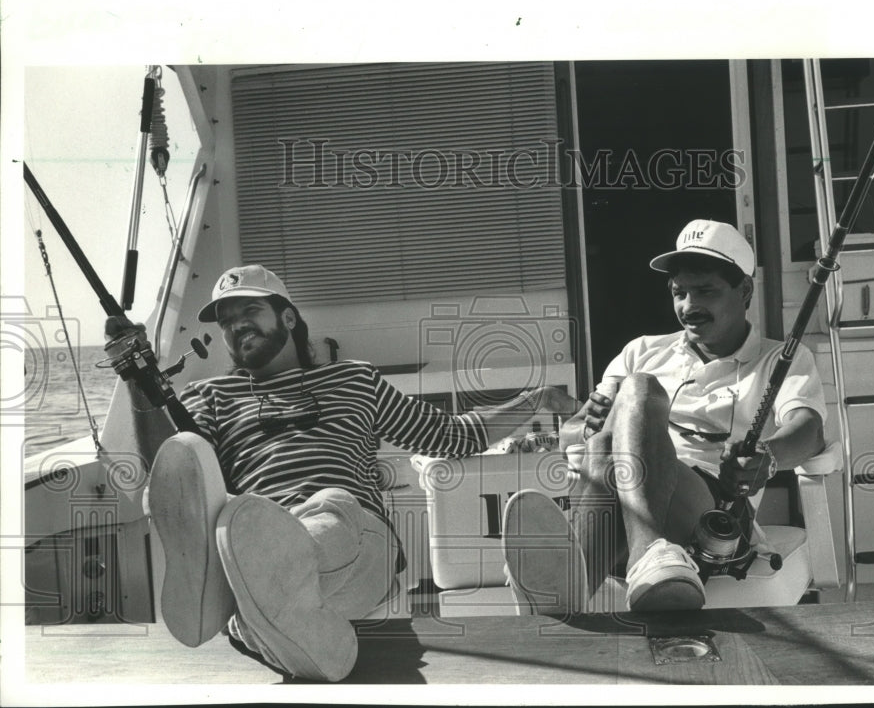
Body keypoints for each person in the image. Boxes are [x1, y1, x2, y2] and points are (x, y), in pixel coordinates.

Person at [113, 264, 577, 682]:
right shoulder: (210, 395)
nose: (236, 327)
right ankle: (284, 618)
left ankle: (248, 605)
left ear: (288, 317)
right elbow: (169, 475)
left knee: (329, 510)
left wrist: (538, 399)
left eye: (248, 311)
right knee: (205, 478)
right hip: (254, 521)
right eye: (227, 321)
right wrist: (136, 377)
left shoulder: (354, 379)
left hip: (352, 538)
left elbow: (450, 436)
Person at [501, 219, 827, 614]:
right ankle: (635, 564)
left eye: (705, 291)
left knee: (635, 394)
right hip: (621, 488)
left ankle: (587, 573)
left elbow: (808, 430)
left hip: (712, 513)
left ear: (744, 290)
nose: (689, 307)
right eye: (679, 293)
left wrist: (768, 457)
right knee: (604, 440)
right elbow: (573, 436)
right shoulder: (641, 349)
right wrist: (586, 425)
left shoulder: (779, 360)